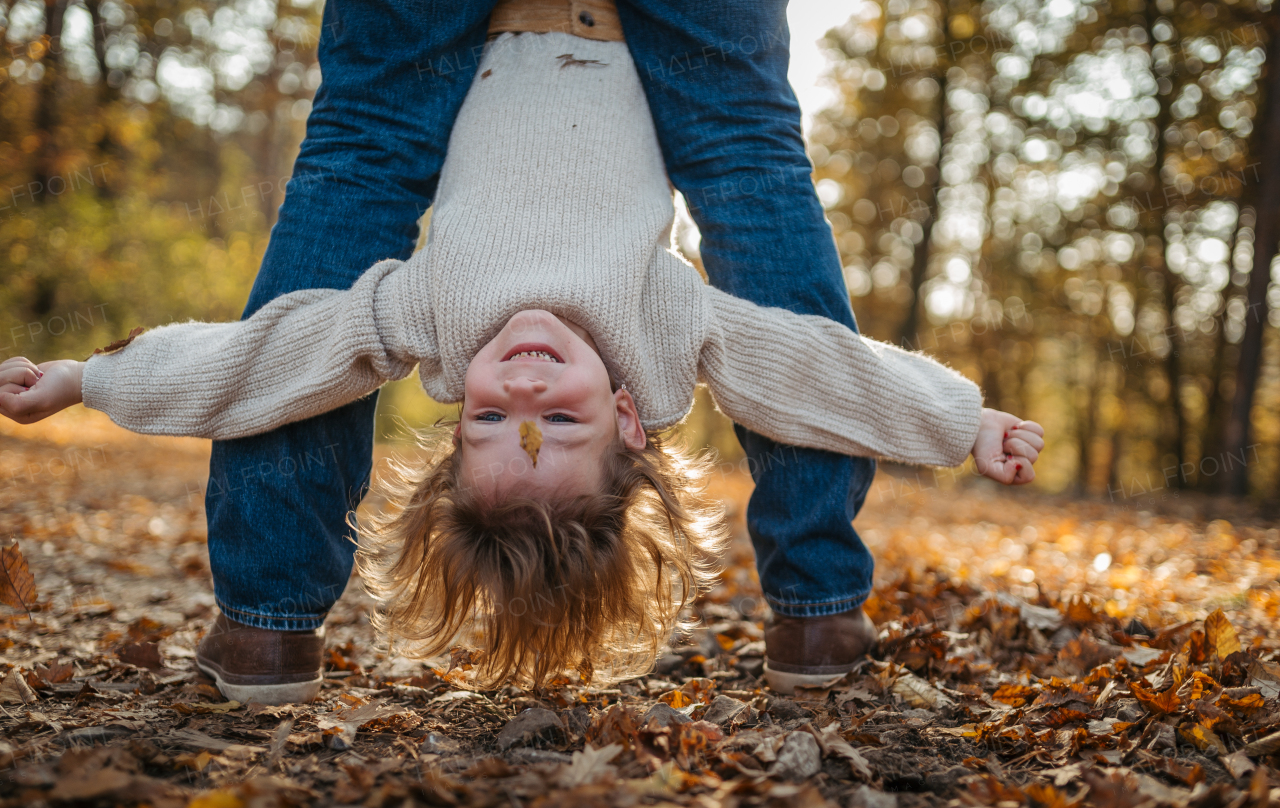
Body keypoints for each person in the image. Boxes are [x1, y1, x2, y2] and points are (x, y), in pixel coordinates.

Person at [0, 0, 1045, 697]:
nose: (522, 382)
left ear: (456, 419)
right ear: (630, 417)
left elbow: (265, 363)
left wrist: (91, 379)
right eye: (561, 417)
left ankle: (267, 620)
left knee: (362, 142)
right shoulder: (662, 329)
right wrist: (964, 421)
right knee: (744, 150)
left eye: (492, 419)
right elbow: (817, 373)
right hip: (629, 33)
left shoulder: (434, 320)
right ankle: (816, 612)